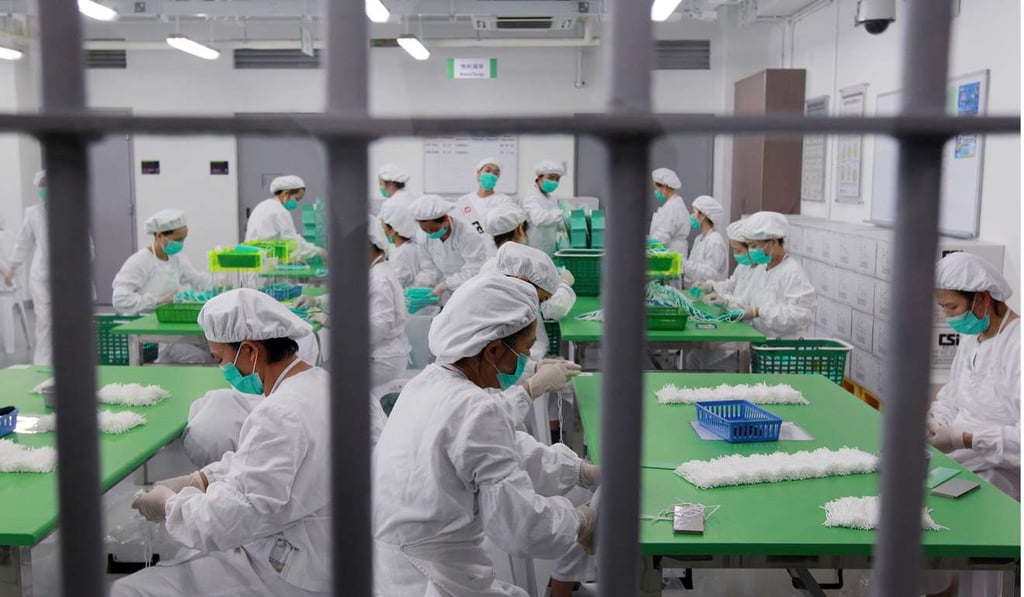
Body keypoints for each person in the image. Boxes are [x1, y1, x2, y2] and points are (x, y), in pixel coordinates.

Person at [372, 274, 597, 596]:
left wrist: (577, 471)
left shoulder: (427, 383)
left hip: (394, 570)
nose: (526, 362)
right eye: (524, 350)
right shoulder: (475, 406)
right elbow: (520, 526)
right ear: (493, 351)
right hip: (437, 580)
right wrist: (581, 522)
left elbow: (499, 448)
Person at [114, 289, 333, 597]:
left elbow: (228, 519)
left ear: (249, 351)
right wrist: (201, 479)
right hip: (336, 549)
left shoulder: (280, 413)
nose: (223, 369)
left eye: (220, 359)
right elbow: (268, 462)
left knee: (127, 591)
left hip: (297, 571)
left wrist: (169, 506)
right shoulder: (325, 385)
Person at [929, 252, 1019, 500]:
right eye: (943, 308)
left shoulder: (1017, 347)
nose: (949, 317)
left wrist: (965, 438)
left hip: (999, 474)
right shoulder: (972, 337)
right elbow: (955, 393)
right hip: (963, 460)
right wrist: (936, 422)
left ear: (983, 298)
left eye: (953, 307)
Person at [293, 234, 410, 388]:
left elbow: (378, 328)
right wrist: (317, 301)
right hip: (378, 353)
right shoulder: (374, 271)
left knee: (326, 386)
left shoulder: (379, 279)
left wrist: (334, 323)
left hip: (382, 359)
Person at [3, 170, 93, 365]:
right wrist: (11, 268)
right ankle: (43, 366)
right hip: (42, 277)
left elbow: (88, 248)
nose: (44, 189)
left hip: (69, 278)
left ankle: (71, 365)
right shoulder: (33, 214)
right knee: (44, 322)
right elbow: (22, 242)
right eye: (41, 186)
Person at [112, 209, 216, 364]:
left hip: (170, 327)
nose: (180, 244)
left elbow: (196, 279)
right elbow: (120, 299)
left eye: (183, 239)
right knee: (200, 358)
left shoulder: (176, 259)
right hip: (149, 335)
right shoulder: (140, 261)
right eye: (178, 239)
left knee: (213, 350)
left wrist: (219, 285)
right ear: (160, 235)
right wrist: (156, 302)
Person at [721, 211, 815, 339]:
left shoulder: (792, 273)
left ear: (773, 242)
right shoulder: (762, 269)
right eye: (749, 246)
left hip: (784, 351)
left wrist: (760, 312)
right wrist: (725, 301)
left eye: (754, 246)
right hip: (761, 344)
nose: (751, 251)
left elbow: (801, 316)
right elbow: (747, 301)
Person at [408, 194, 488, 301]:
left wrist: (447, 284)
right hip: (446, 293)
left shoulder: (468, 234)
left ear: (446, 219)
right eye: (425, 230)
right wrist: (420, 286)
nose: (429, 234)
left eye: (433, 230)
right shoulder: (422, 236)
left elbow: (474, 269)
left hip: (470, 291)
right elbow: (429, 269)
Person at [244, 175, 325, 262]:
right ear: (286, 194)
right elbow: (291, 242)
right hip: (263, 264)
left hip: (252, 261)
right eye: (296, 199)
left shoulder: (263, 205)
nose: (296, 203)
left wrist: (313, 250)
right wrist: (318, 251)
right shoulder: (280, 212)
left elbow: (288, 238)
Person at [453, 157, 515, 249]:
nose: (491, 175)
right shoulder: (464, 201)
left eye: (496, 173)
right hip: (469, 249)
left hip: (494, 249)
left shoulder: (504, 201)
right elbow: (457, 228)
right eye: (487, 170)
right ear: (478, 173)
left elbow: (507, 229)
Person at [378, 202, 439, 288]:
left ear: (393, 229)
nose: (382, 231)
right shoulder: (411, 246)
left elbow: (395, 284)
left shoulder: (402, 253)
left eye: (383, 227)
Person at [523, 160, 568, 256]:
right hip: (534, 249)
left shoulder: (552, 198)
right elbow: (539, 219)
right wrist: (561, 214)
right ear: (539, 177)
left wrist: (570, 220)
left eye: (557, 179)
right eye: (551, 178)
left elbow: (557, 223)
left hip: (549, 249)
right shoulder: (531, 196)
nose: (554, 182)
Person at [682, 195, 729, 288]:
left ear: (702, 215)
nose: (691, 216)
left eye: (693, 212)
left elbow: (709, 274)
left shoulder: (715, 241)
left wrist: (685, 265)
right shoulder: (699, 239)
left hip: (709, 294)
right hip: (695, 291)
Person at [649, 167, 691, 258]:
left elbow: (662, 236)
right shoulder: (674, 204)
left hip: (672, 254)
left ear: (665, 187)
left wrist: (646, 244)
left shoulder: (672, 207)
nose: (656, 192)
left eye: (656, 188)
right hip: (672, 253)